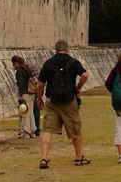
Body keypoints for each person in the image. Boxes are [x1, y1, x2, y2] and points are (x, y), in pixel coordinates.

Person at [35, 39, 89, 169]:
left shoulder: (48, 63)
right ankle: (78, 157)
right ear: (67, 49)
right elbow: (85, 75)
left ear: (56, 50)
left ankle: (43, 158)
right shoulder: (73, 62)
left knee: (47, 129)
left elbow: (40, 84)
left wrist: (39, 98)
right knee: (75, 129)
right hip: (69, 100)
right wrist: (78, 88)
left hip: (52, 101)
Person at [11, 55, 37, 138]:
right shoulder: (27, 68)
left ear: (16, 63)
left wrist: (21, 95)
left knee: (24, 113)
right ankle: (33, 131)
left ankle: (26, 132)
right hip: (32, 92)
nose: (13, 65)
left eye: (13, 63)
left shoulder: (19, 71)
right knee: (31, 112)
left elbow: (21, 84)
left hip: (25, 93)